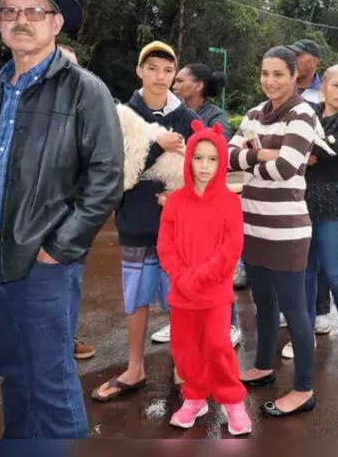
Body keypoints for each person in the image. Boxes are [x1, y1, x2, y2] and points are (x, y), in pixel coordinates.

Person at [0, 0, 123, 438]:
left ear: (56, 22)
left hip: (44, 260)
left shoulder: (85, 90)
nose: (21, 19)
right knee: (12, 372)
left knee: (51, 379)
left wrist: (60, 247)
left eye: (34, 11)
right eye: (10, 10)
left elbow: (107, 177)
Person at [92, 41, 197, 402]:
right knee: (136, 302)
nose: (160, 77)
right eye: (152, 68)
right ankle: (135, 367)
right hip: (136, 224)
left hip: (178, 231)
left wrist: (179, 197)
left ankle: (184, 369)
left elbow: (205, 165)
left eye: (168, 70)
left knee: (180, 301)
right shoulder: (122, 115)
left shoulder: (185, 116)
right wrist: (158, 146)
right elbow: (114, 171)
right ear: (139, 71)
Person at [229, 46, 317, 417]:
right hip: (252, 225)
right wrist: (261, 156)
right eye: (265, 73)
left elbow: (286, 168)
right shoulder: (252, 113)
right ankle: (264, 365)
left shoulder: (303, 113)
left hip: (286, 231)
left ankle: (304, 388)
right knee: (263, 303)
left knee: (295, 310)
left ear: (295, 74)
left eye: (278, 74)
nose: (270, 81)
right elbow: (227, 156)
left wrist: (254, 159)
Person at [157, 120, 251, 436]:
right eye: (198, 158)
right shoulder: (176, 201)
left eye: (212, 159)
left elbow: (231, 248)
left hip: (214, 293)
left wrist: (200, 276)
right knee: (184, 348)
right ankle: (194, 397)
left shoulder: (229, 202)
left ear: (221, 162)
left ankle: (232, 401)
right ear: (188, 160)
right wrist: (182, 276)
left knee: (218, 346)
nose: (205, 166)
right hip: (182, 293)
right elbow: (165, 245)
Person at [281, 65, 338, 368]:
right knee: (304, 272)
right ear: (324, 87)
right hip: (304, 204)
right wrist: (311, 152)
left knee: (336, 274)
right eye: (337, 86)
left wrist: (313, 150)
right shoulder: (308, 113)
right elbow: (290, 144)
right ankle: (304, 335)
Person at [155, 62, 240, 349]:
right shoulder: (172, 112)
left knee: (216, 262)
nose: (174, 85)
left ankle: (230, 323)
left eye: (180, 80)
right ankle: (182, 316)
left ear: (198, 86)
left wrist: (192, 146)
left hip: (209, 202)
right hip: (181, 201)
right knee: (184, 258)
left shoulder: (215, 116)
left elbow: (221, 148)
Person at [54, 44, 97, 361]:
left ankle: (65, 338)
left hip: (71, 220)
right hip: (27, 223)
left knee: (69, 283)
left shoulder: (87, 111)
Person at [288, 38, 330, 333]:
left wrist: (309, 154)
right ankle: (290, 306)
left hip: (317, 179)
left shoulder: (326, 92)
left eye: (298, 56)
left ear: (314, 60)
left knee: (316, 248)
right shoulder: (283, 87)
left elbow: (330, 131)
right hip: (287, 180)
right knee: (290, 248)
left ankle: (320, 310)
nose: (293, 60)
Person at [289, 38, 322, 107]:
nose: (293, 59)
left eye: (298, 55)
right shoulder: (282, 86)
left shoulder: (324, 94)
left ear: (314, 62)